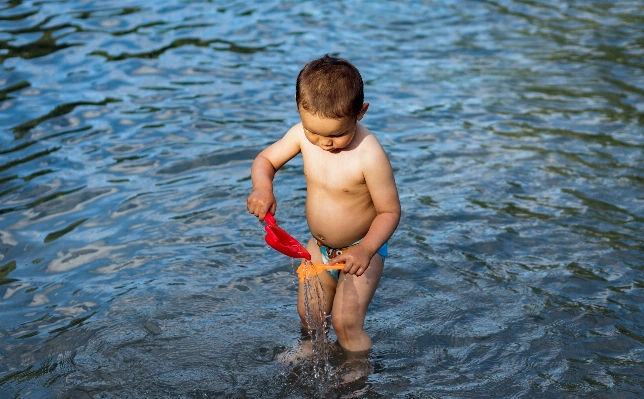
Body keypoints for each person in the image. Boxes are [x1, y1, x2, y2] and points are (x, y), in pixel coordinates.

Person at [247, 54, 400, 352]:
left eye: (337, 134)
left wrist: (366, 249)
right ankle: (312, 351)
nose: (324, 143)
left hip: (361, 251)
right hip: (318, 248)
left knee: (346, 323)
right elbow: (266, 159)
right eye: (313, 131)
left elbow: (389, 211)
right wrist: (263, 188)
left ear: (361, 112)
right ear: (298, 105)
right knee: (310, 315)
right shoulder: (301, 136)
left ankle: (357, 372)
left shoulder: (369, 154)